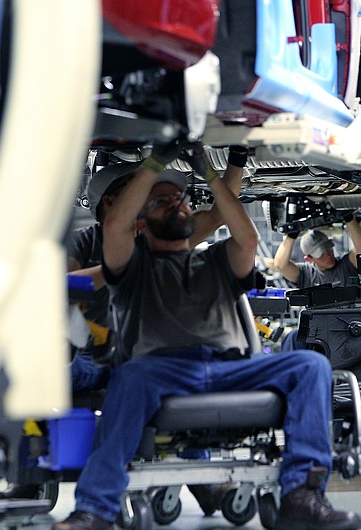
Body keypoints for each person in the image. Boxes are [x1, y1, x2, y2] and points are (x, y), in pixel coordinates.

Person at [49, 140, 359, 530]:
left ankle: (301, 495)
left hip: (230, 367)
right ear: (141, 220)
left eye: (179, 199)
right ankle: (95, 509)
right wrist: (156, 161)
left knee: (311, 366)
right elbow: (114, 226)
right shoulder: (133, 267)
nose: (176, 204)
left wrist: (211, 175)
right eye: (161, 202)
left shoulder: (217, 259)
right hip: (161, 370)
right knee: (128, 376)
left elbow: (246, 239)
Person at [67, 152, 245, 393]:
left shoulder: (159, 234)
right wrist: (121, 268)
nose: (147, 192)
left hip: (147, 354)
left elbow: (218, 216)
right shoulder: (86, 240)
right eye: (137, 188)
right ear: (110, 202)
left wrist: (237, 157)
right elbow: (63, 287)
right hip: (90, 356)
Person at [273, 217, 361, 289]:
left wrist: (349, 219)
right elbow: (280, 265)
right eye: (321, 254)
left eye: (328, 249)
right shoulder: (306, 274)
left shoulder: (347, 266)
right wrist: (291, 235)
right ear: (309, 259)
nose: (328, 255)